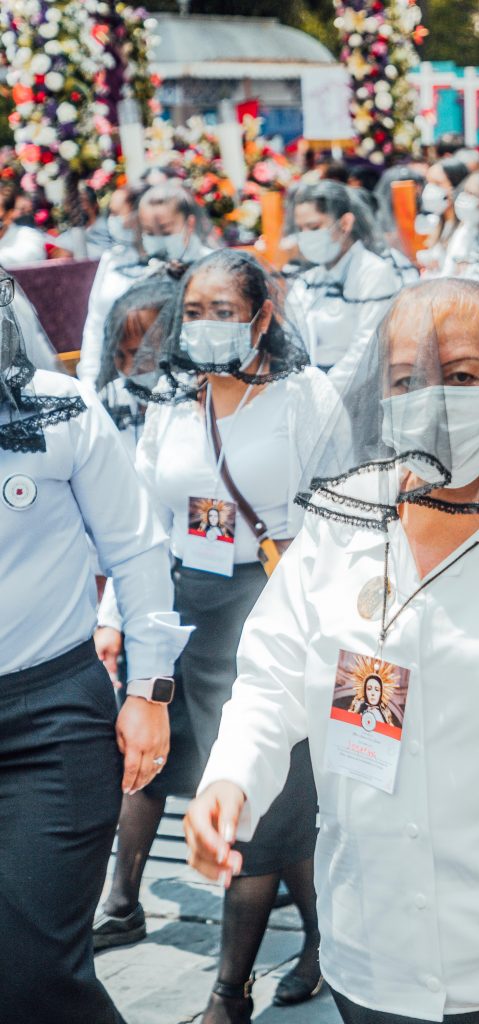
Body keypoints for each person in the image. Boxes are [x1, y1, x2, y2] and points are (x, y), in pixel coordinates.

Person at [185, 278, 479, 1024]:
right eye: (408, 379)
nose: (434, 398)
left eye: (464, 375)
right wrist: (232, 780)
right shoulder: (347, 518)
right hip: (375, 960)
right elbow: (273, 673)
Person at [93, 251, 341, 1020]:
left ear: (264, 316)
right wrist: (116, 621)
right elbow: (142, 518)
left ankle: (229, 993)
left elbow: (341, 512)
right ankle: (323, 939)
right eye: (192, 310)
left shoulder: (306, 396)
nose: (204, 325)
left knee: (264, 798)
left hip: (271, 599)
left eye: (223, 310)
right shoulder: (172, 396)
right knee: (200, 780)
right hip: (180, 605)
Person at [0, 272, 189, 1023]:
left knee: (32, 968)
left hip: (50, 721)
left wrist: (149, 691)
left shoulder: (59, 409)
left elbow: (139, 551)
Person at [78, 183, 213, 386]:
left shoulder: (211, 266)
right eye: (149, 231)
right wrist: (90, 379)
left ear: (189, 224)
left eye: (166, 231)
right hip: (129, 378)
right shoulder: (119, 261)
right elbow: (97, 324)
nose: (158, 240)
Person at [285, 180, 402, 389]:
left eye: (313, 227)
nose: (305, 236)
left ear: (345, 224)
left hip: (357, 392)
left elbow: (366, 349)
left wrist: (326, 392)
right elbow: (290, 338)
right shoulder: (308, 279)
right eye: (300, 229)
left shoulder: (373, 272)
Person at [96, 274, 180, 451]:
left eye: (139, 355)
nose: (128, 369)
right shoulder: (113, 399)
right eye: (119, 355)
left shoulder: (192, 400)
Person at [417, 159, 469, 274]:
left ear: (456, 186)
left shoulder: (466, 231)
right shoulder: (436, 223)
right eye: (428, 182)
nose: (429, 189)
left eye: (437, 183)